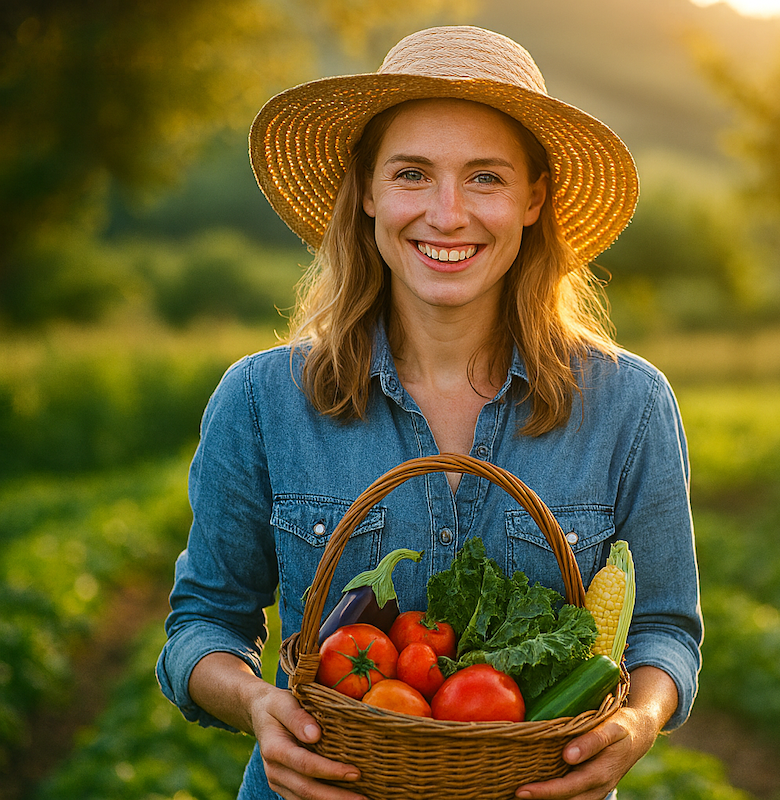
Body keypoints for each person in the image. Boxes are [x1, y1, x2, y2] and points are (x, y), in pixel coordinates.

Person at [156, 24, 702, 800]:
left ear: (532, 200)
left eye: (485, 178)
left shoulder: (629, 404)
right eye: (413, 174)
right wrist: (254, 702)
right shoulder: (261, 399)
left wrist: (639, 722)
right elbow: (202, 626)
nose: (447, 214)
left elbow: (666, 632)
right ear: (369, 191)